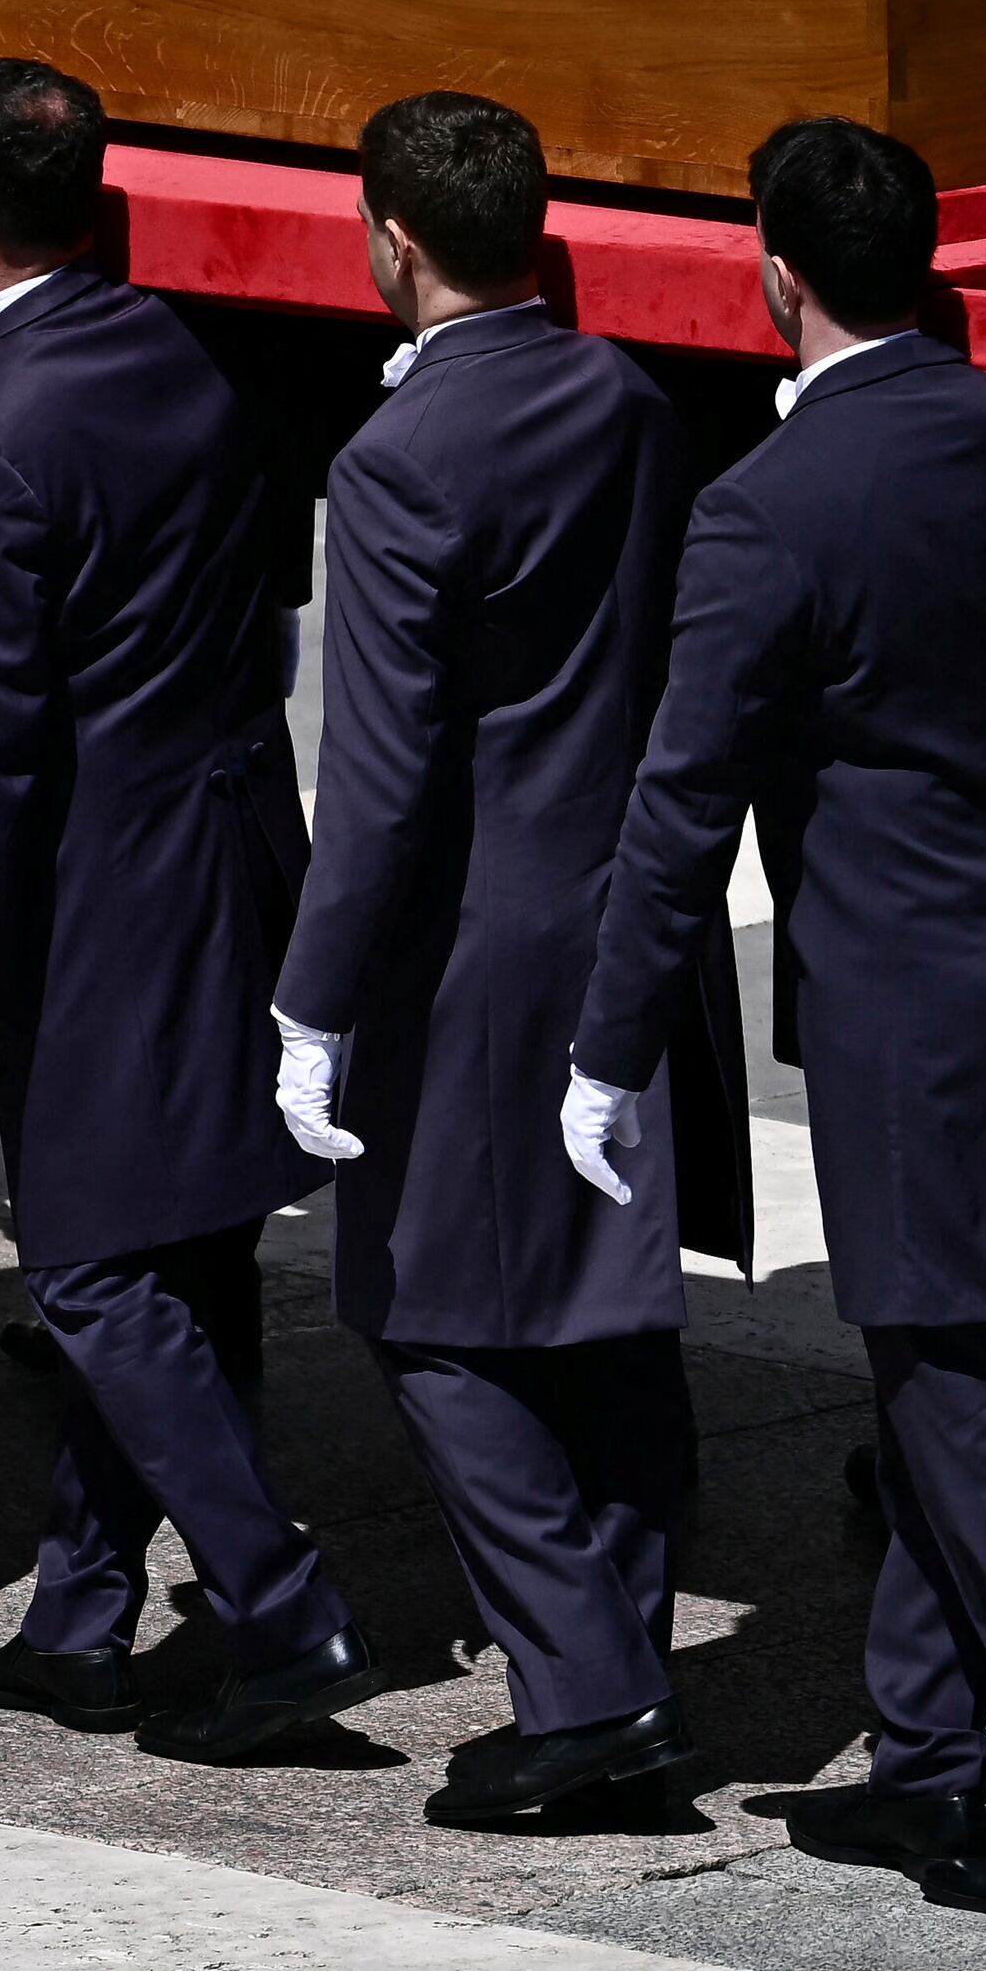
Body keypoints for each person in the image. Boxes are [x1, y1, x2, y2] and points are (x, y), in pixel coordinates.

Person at [578, 120, 986, 1916]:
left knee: (970, 1393)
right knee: (947, 1372)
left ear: (776, 272)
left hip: (913, 1017)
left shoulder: (767, 508)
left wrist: (612, 1040)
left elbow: (683, 802)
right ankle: (925, 1749)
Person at [0, 58, 377, 1758]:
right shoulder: (193, 354)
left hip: (102, 906)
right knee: (186, 1244)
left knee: (95, 1265)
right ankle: (83, 1609)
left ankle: (273, 1593)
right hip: (237, 855)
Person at [272, 90, 729, 1832]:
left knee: (426, 1311)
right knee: (603, 1309)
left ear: (392, 238)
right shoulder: (623, 397)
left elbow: (381, 779)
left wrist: (312, 995)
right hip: (621, 905)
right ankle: (622, 1656)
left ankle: (592, 1685)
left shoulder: (395, 464)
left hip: (471, 946)